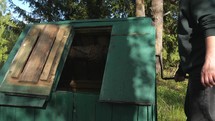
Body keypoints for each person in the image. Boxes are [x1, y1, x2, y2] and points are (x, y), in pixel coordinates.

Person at [175, 0, 215, 120]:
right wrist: (182, 69)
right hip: (199, 71)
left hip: (206, 76)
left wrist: (211, 61)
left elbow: (210, 22)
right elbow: (193, 36)